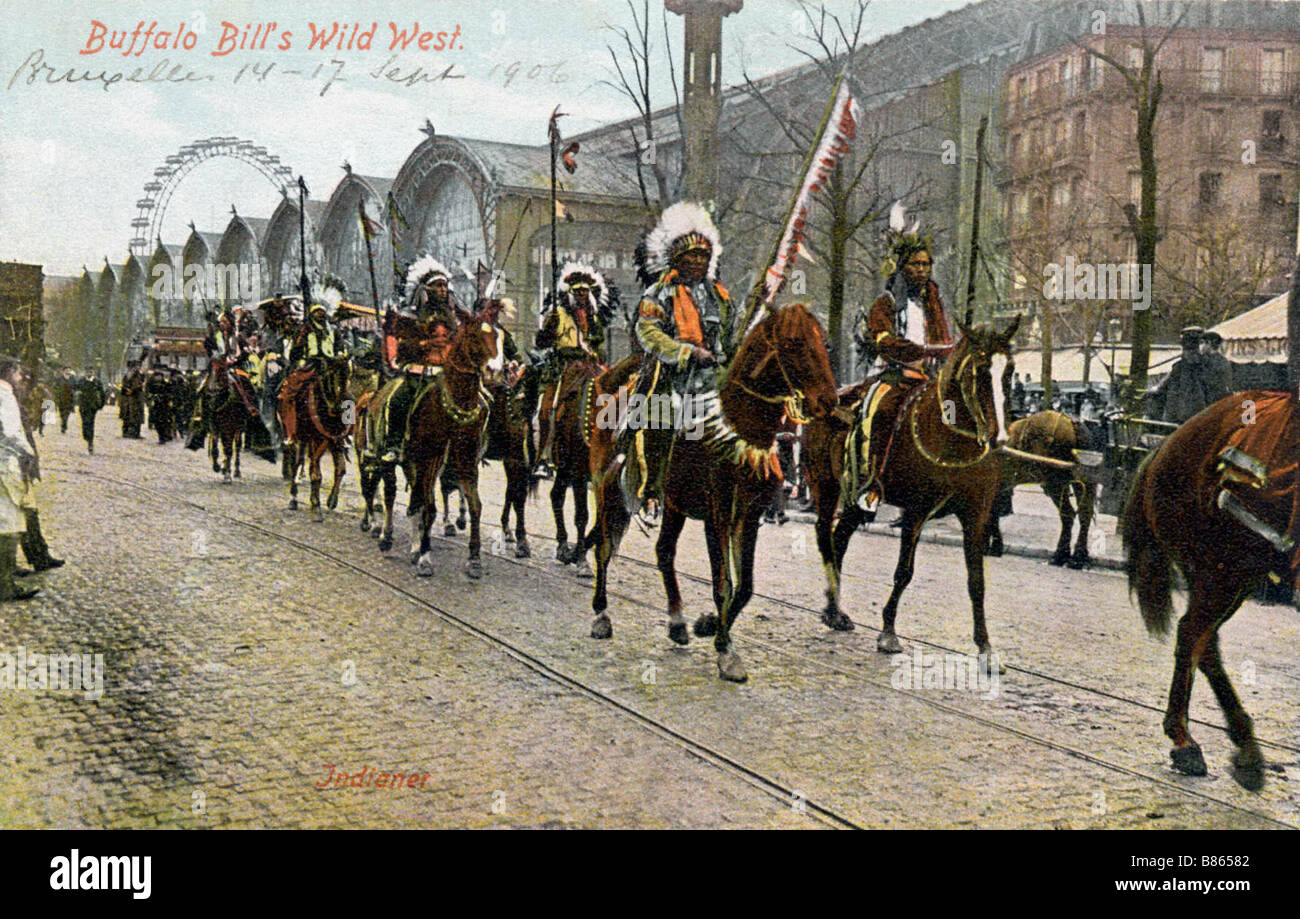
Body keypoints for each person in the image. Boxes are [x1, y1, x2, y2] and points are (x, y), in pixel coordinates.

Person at [625, 201, 733, 523]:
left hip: (713, 375)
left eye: (703, 257)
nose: (698, 262)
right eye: (692, 257)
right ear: (677, 260)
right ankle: (651, 491)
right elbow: (648, 333)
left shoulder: (720, 297)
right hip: (670, 372)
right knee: (659, 417)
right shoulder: (658, 293)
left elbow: (729, 335)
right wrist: (687, 352)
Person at [847, 230, 954, 514]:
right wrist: (920, 353)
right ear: (902, 267)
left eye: (926, 264)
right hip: (894, 376)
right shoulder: (886, 302)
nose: (921, 269)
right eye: (915, 264)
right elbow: (884, 341)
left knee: (955, 411)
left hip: (930, 378)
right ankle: (872, 481)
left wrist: (946, 352)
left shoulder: (934, 302)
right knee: (879, 414)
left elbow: (943, 338)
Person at [378, 256, 465, 464]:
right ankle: (394, 444)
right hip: (418, 374)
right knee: (399, 400)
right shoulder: (409, 317)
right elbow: (403, 346)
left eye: (445, 286)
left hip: (446, 375)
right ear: (426, 290)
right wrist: (423, 345)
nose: (442, 290)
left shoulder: (455, 319)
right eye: (437, 286)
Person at [535, 262, 617, 466]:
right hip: (564, 368)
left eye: (585, 292)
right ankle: (543, 454)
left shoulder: (594, 318)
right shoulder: (558, 315)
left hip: (590, 366)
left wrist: (597, 354)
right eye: (578, 292)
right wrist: (549, 330)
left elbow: (599, 345)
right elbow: (542, 343)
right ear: (570, 294)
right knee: (547, 409)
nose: (581, 296)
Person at [279, 293, 347, 447]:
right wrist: (299, 341)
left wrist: (341, 355)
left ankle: (347, 431)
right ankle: (290, 431)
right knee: (288, 394)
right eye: (317, 311)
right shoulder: (304, 329)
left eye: (322, 311)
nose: (320, 314)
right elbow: (293, 354)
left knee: (348, 397)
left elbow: (340, 347)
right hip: (310, 365)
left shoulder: (334, 330)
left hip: (331, 366)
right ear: (312, 313)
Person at [0, 356, 41, 600]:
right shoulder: (5, 395)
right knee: (8, 523)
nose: (19, 378)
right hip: (5, 466)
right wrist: (28, 453)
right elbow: (13, 432)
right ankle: (5, 585)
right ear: (9, 373)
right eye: (17, 373)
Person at [1153, 326, 1208, 425]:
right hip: (1198, 416)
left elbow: (1162, 387)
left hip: (1178, 417)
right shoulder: (1207, 365)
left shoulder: (1179, 367)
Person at [76, 367, 106, 454]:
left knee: (91, 422)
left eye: (91, 372)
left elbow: (102, 393)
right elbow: (75, 389)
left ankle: (90, 441)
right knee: (84, 421)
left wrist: (101, 405)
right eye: (87, 372)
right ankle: (86, 435)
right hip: (83, 404)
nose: (89, 373)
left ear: (93, 372)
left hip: (93, 405)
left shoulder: (97, 382)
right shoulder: (81, 380)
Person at [1200, 329, 1233, 404]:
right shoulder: (1224, 360)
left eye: (1202, 343)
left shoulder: (1207, 361)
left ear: (1209, 343)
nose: (1201, 346)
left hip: (1211, 401)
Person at [118, 360, 146, 438]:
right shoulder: (128, 376)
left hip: (137, 399)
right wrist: (128, 390)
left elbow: (140, 384)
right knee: (127, 416)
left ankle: (136, 433)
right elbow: (124, 386)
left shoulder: (139, 375)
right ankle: (126, 432)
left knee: (137, 417)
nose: (137, 368)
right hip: (129, 400)